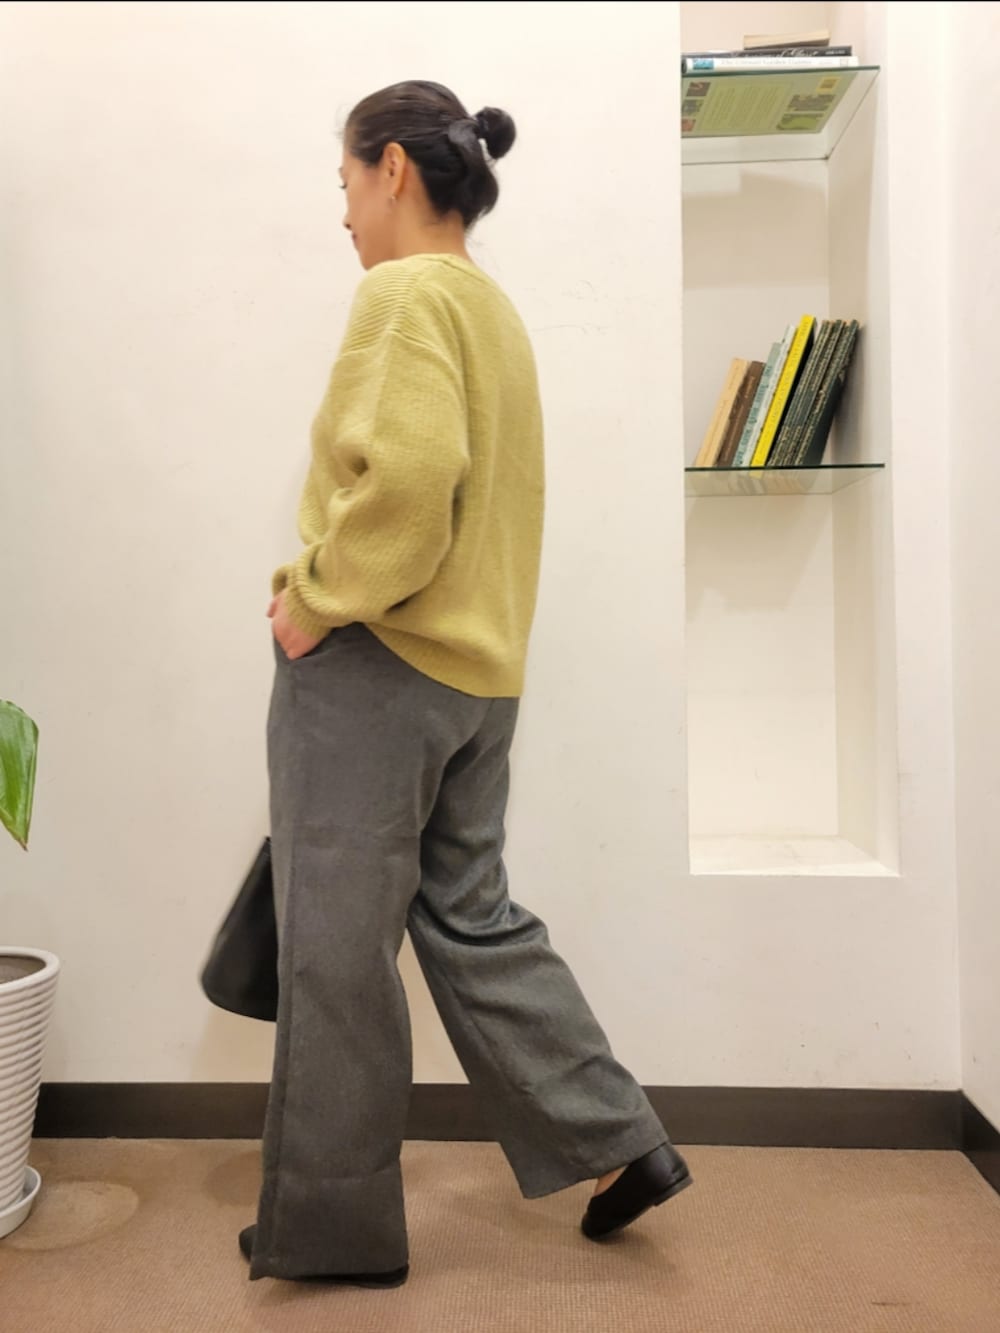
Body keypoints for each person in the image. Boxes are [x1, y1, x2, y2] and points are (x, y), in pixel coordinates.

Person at [241, 79, 691, 1287]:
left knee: (335, 954)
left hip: (378, 670)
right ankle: (619, 1138)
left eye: (345, 182)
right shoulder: (493, 310)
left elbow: (407, 482)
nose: (343, 211)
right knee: (472, 918)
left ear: (391, 168)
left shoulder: (402, 294)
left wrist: (315, 595)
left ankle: (332, 1234)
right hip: (478, 682)